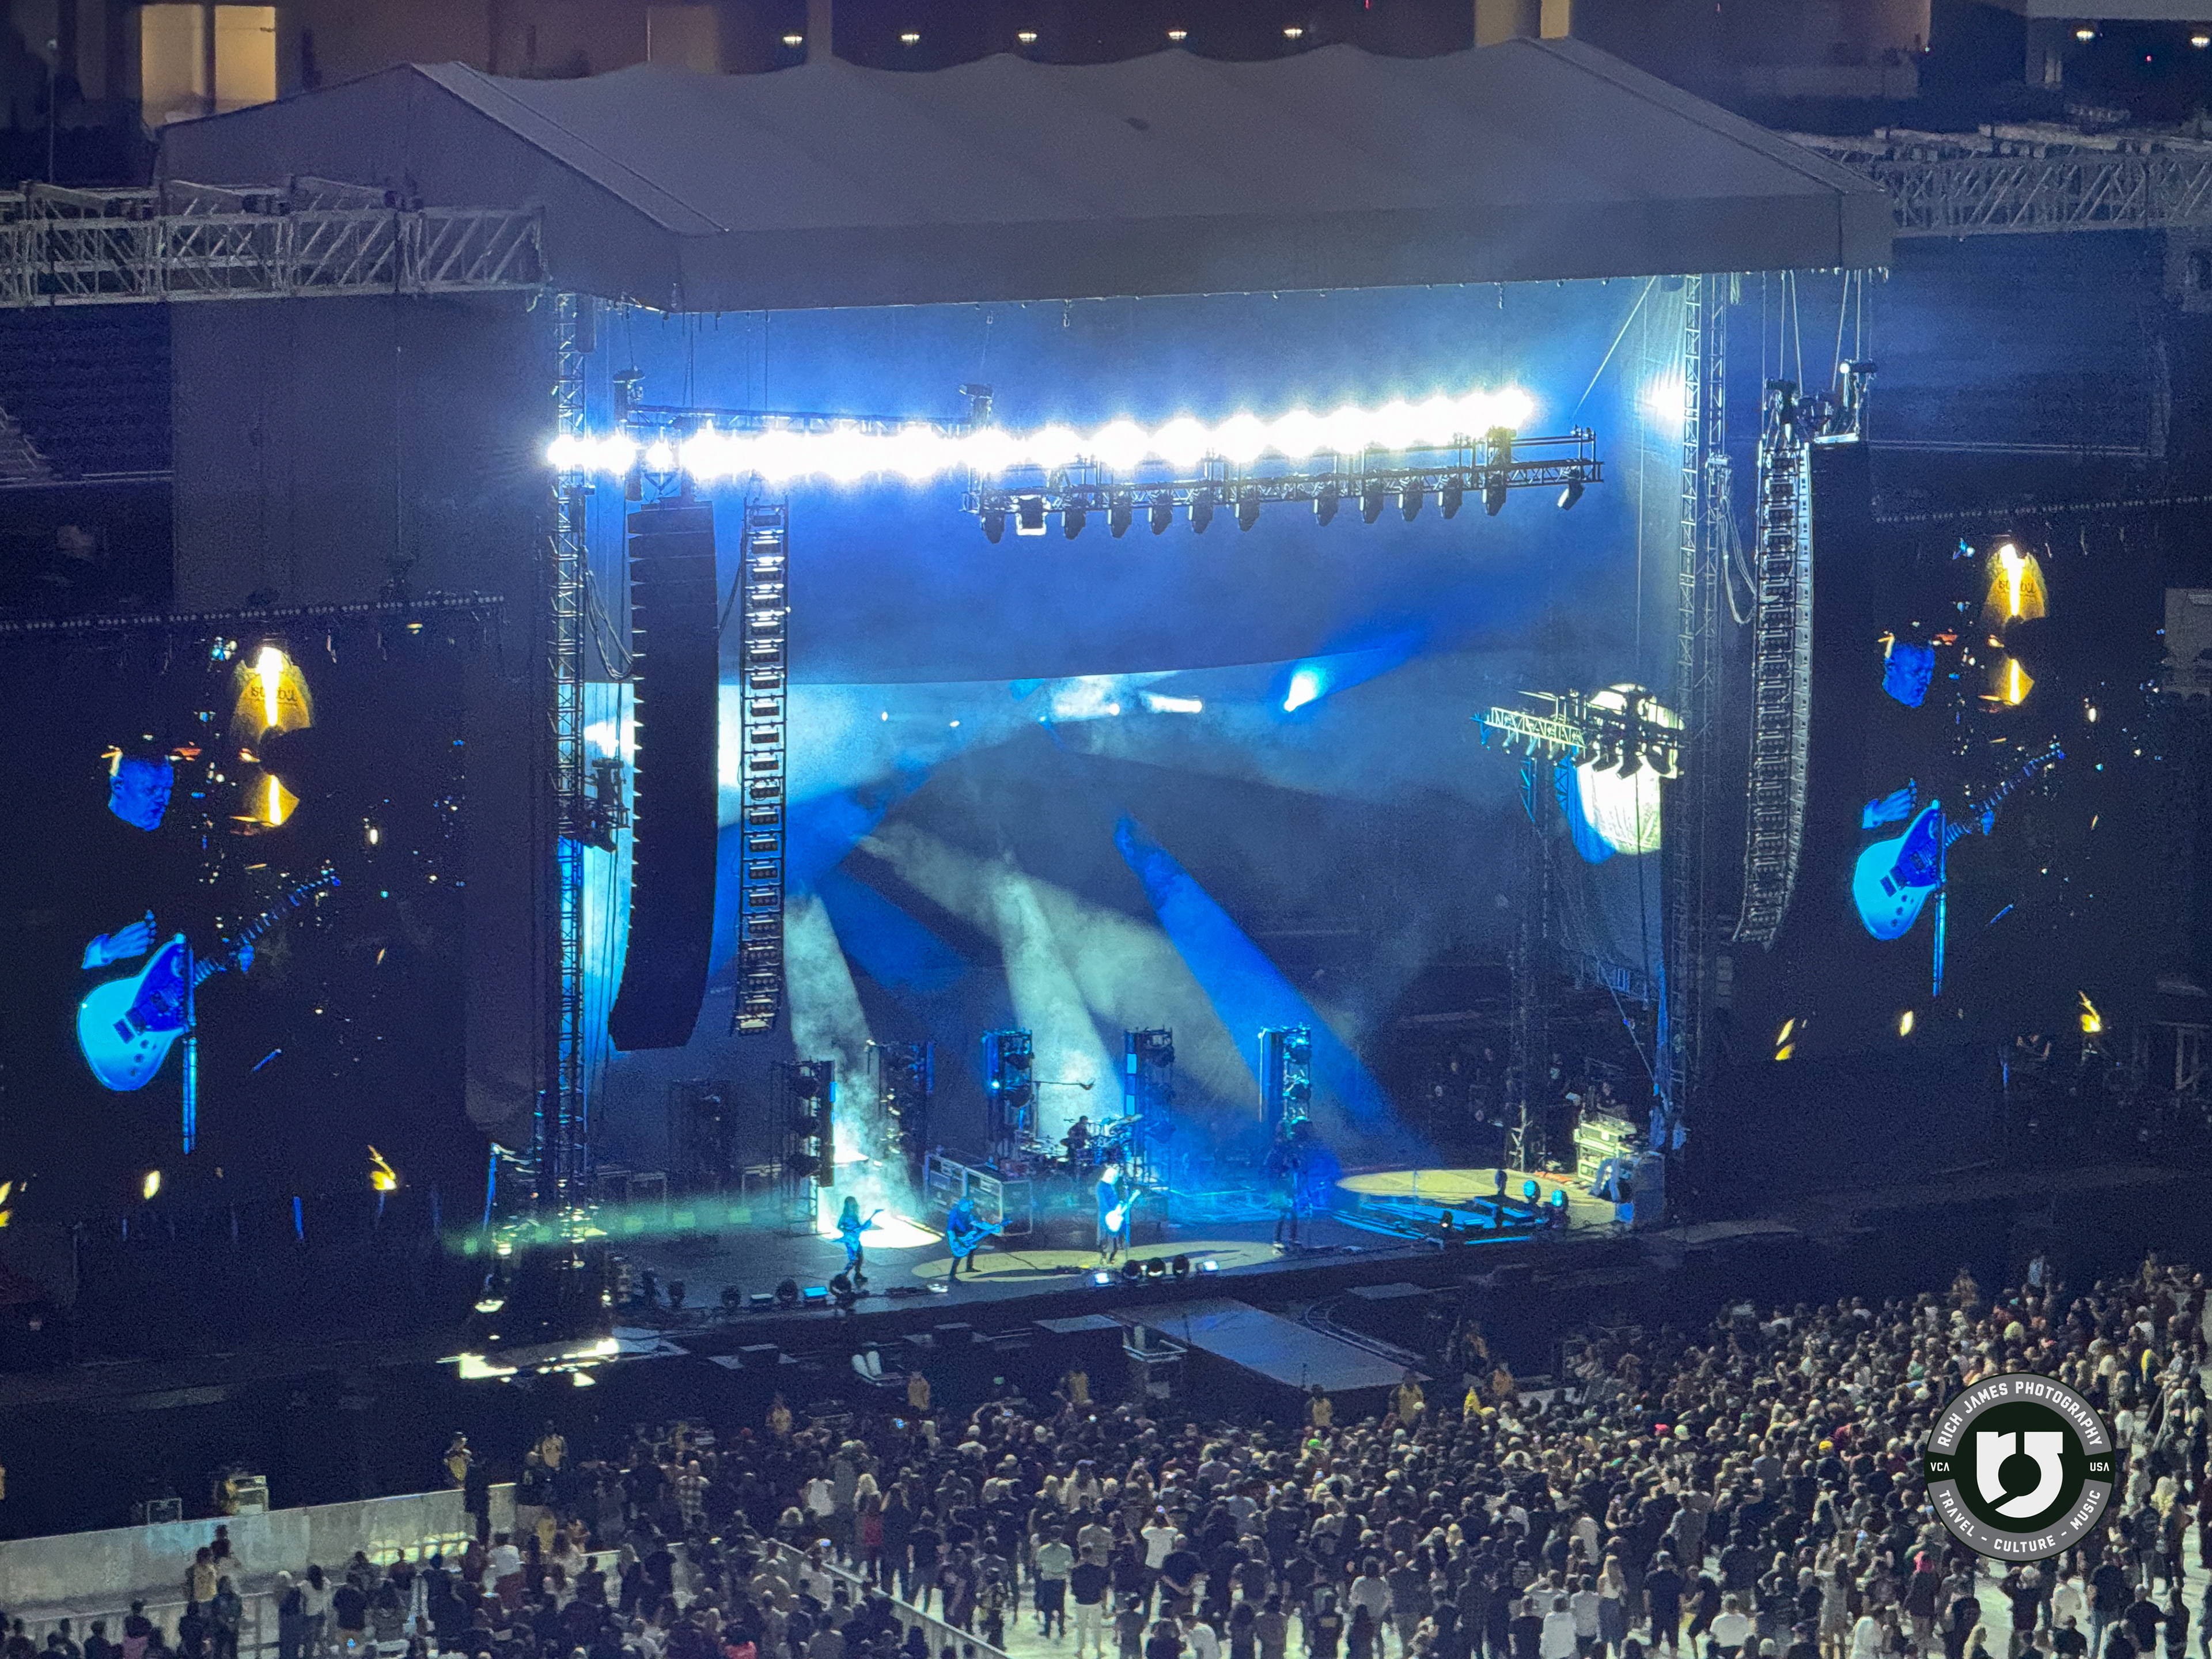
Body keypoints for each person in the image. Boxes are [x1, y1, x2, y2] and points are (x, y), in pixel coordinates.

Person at [838, 1196, 882, 1283]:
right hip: (850, 1240)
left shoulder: (855, 1215)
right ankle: (843, 1276)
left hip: (856, 1240)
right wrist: (848, 1231)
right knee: (854, 1259)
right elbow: (839, 1227)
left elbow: (859, 1227)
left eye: (853, 1202)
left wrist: (863, 1227)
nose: (853, 1204)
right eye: (851, 1203)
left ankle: (857, 1274)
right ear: (847, 1204)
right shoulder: (845, 1216)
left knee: (860, 1257)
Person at [1097, 1165, 1133, 1264]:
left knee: (1116, 1238)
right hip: (1107, 1215)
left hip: (1116, 1214)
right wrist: (1111, 1212)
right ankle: (1104, 1257)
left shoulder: (1112, 1186)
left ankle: (1112, 1257)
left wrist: (1121, 1204)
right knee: (1104, 1237)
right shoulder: (1102, 1186)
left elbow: (1116, 1199)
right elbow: (1103, 1202)